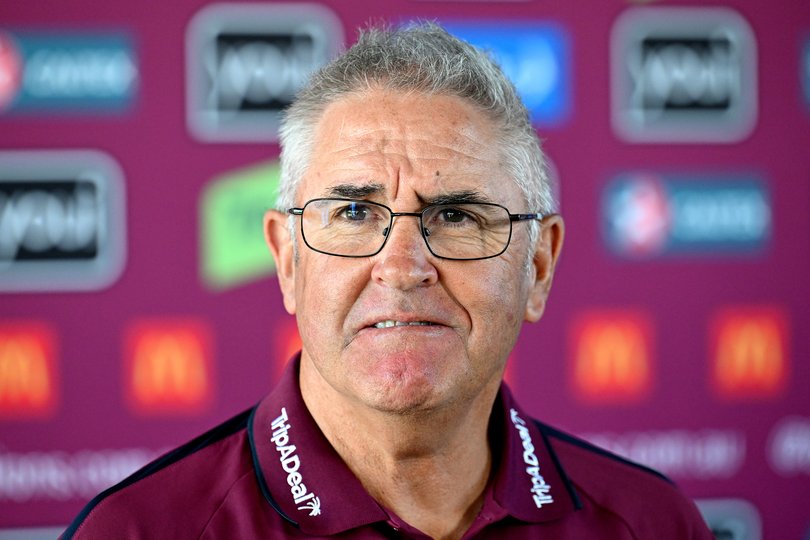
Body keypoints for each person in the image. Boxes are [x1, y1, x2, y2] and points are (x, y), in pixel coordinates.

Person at [63, 23, 714, 539]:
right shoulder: (137, 532)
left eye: (456, 215)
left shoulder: (652, 523)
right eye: (353, 212)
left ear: (538, 265)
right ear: (287, 259)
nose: (402, 267)